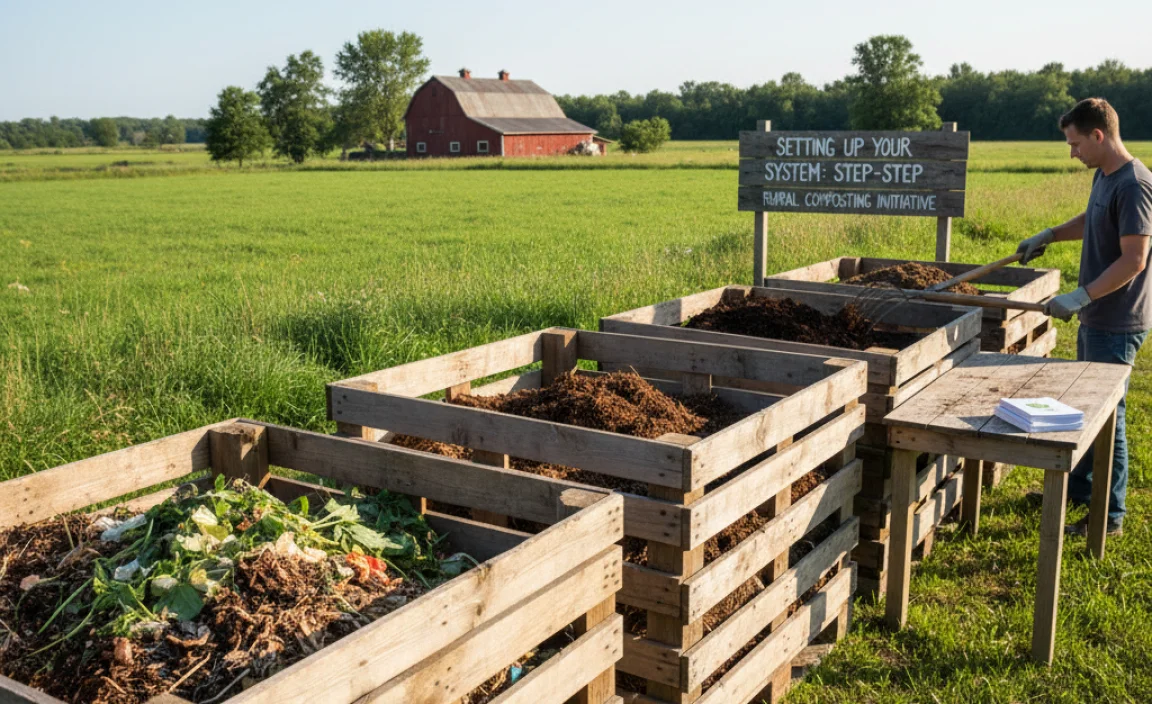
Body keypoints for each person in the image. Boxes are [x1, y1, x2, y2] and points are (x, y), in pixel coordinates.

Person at [1016, 97, 1152, 537]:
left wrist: (1081, 296)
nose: (1072, 152)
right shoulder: (1105, 176)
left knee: (1110, 417)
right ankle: (1079, 489)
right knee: (1086, 407)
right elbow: (1092, 219)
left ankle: (1107, 516)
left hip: (1117, 319)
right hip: (1098, 315)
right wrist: (1051, 235)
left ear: (1098, 135)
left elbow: (1134, 259)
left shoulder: (1135, 185)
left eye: (1076, 143)